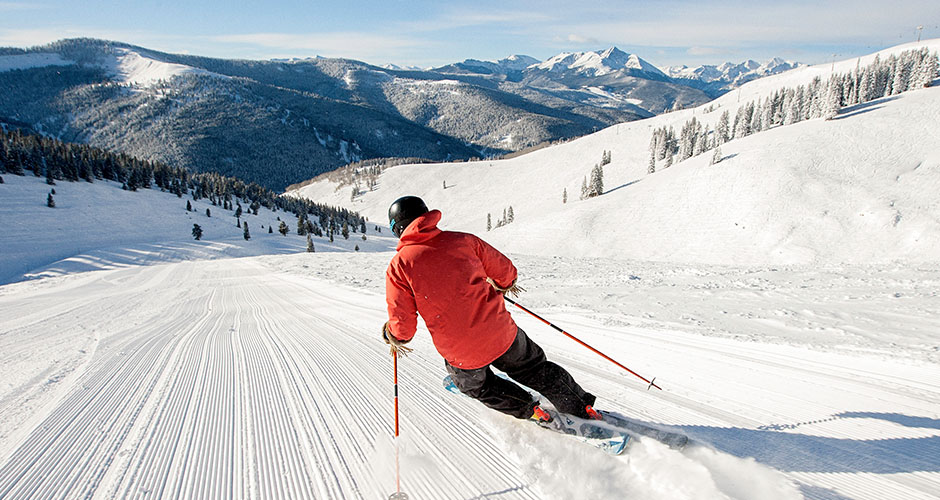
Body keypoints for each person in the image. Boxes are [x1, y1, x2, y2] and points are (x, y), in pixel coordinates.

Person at [382, 195, 600, 422]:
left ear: (398, 228)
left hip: (461, 352)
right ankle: (581, 405)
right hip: (501, 333)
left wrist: (392, 334)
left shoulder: (399, 266)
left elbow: (403, 328)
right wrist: (500, 285)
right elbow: (506, 273)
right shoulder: (464, 241)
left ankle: (530, 409)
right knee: (534, 368)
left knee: (478, 386)